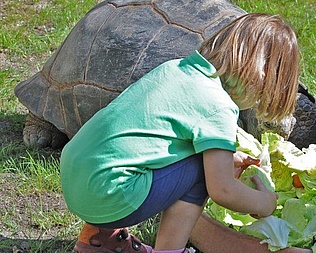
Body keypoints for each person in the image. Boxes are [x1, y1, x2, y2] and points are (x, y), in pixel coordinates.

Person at [60, 13, 299, 253]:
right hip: (109, 195)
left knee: (137, 156)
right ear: (262, 76)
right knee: (201, 173)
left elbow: (153, 139)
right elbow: (223, 190)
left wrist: (226, 160)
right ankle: (169, 251)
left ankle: (98, 239)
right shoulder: (219, 105)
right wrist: (265, 202)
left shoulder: (175, 68)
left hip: (76, 176)